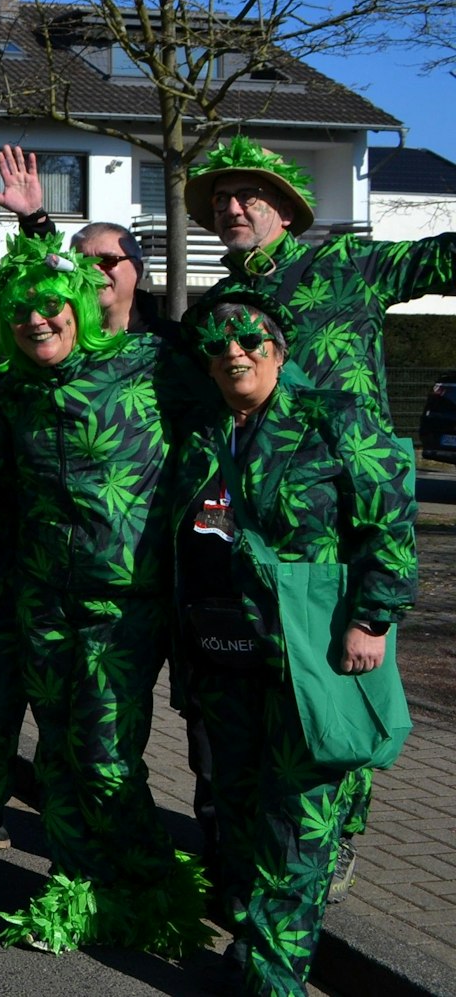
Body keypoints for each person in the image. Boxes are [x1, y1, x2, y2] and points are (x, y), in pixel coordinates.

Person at [188, 136, 456, 900]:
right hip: (257, 538)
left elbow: (446, 258)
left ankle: (336, 835)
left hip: (350, 532)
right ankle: (263, 852)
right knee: (268, 713)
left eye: (247, 196)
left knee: (342, 696)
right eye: (219, 201)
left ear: (286, 206)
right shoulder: (218, 311)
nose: (231, 208)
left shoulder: (351, 266)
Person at [170, 290, 415, 994]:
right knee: (242, 814)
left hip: (312, 650)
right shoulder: (204, 432)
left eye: (248, 339)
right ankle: (256, 946)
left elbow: (390, 522)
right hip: (225, 651)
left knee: (299, 824)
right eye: (218, 345)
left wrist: (374, 619)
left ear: (278, 348)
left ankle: (275, 978)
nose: (233, 351)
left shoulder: (330, 417)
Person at [0, 233, 210, 956]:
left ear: (79, 309)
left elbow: (239, 401)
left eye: (52, 307)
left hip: (124, 602)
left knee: (109, 756)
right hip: (43, 596)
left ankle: (156, 889)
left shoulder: (150, 365)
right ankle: (78, 882)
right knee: (53, 752)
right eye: (22, 311)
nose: (37, 321)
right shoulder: (15, 386)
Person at [0, 144, 174, 338]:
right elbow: (40, 265)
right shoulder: (59, 342)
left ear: (138, 269)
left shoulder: (170, 343)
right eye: (81, 262)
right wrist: (33, 218)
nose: (93, 269)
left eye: (107, 261)